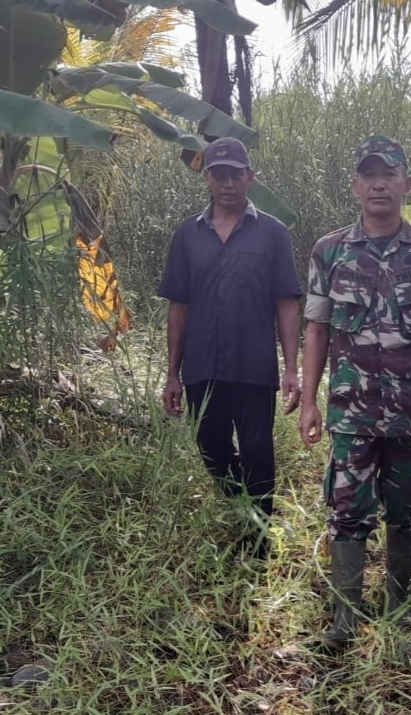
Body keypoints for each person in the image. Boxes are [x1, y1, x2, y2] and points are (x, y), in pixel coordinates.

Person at [298, 135, 411, 650]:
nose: (378, 183)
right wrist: (308, 401)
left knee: (408, 507)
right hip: (351, 411)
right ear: (355, 186)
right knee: (347, 509)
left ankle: (396, 610)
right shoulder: (329, 251)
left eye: (389, 174)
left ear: (406, 185)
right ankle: (345, 620)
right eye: (369, 174)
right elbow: (317, 331)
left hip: (410, 410)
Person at [158, 137, 302, 559]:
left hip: (254, 365)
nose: (227, 183)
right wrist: (172, 373)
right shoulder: (189, 235)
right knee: (211, 447)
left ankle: (257, 543)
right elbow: (178, 306)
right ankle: (245, 509)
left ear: (249, 178)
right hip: (202, 365)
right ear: (207, 179)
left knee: (258, 450)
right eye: (218, 175)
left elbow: (287, 304)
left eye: (235, 174)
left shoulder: (273, 233)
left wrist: (291, 367)